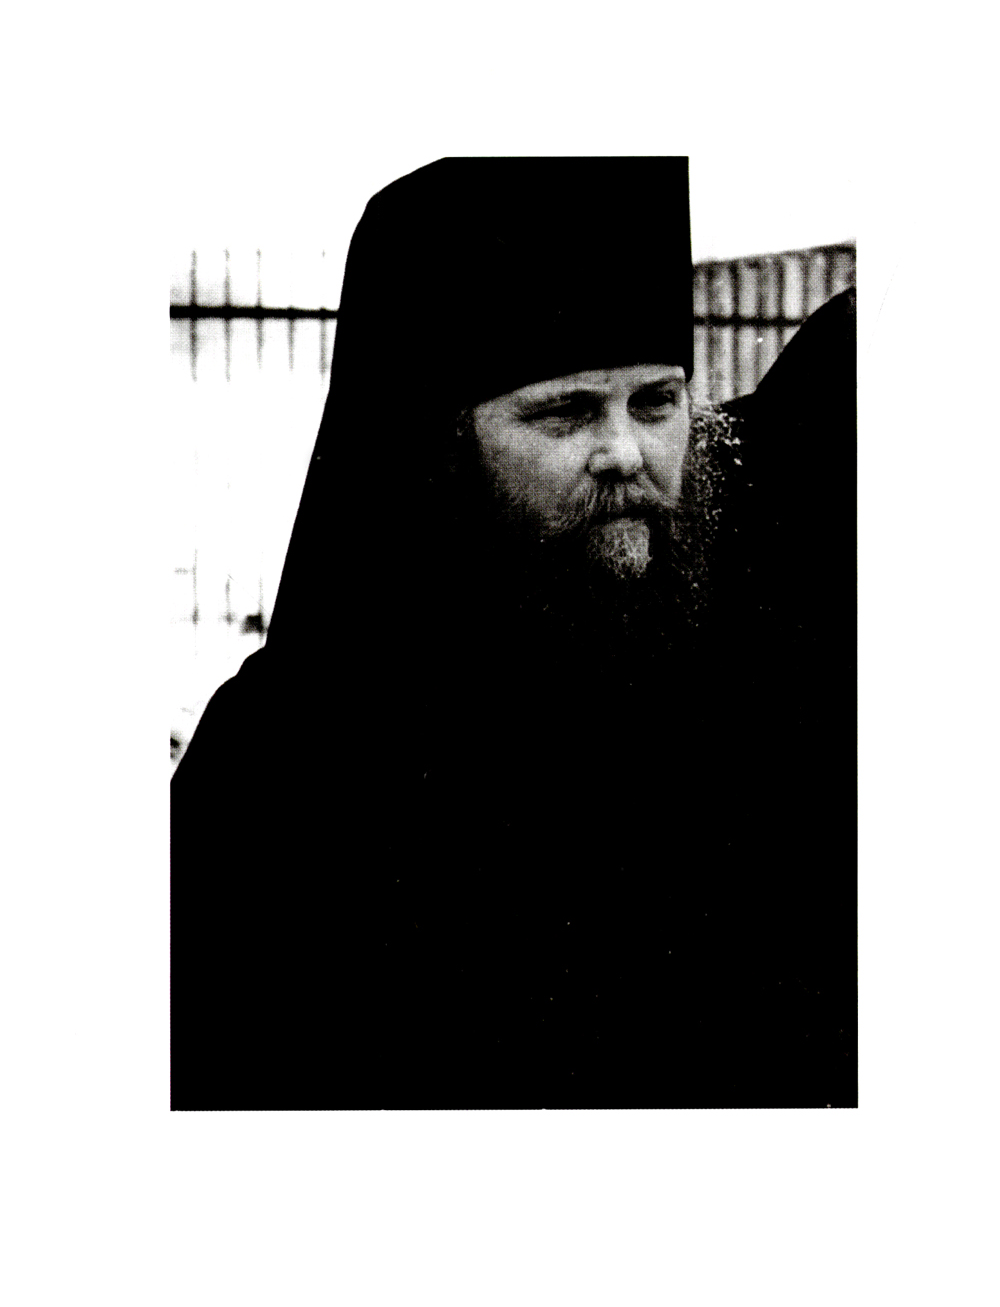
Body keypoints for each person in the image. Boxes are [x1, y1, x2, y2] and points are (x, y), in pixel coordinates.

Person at [171, 158, 856, 1110]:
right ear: (440, 451)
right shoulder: (283, 767)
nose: (625, 451)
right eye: (566, 413)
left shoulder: (758, 673)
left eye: (655, 403)